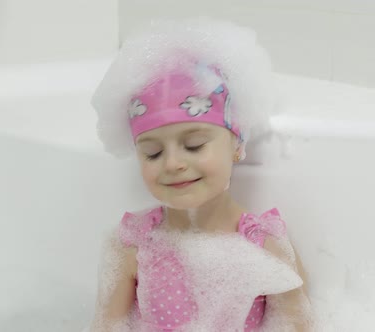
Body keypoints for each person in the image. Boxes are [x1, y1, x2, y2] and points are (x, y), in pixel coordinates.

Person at [88, 17, 313, 331]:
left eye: (193, 145)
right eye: (153, 153)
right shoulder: (131, 246)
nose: (172, 163)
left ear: (237, 144)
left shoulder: (266, 245)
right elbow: (106, 326)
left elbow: (298, 325)